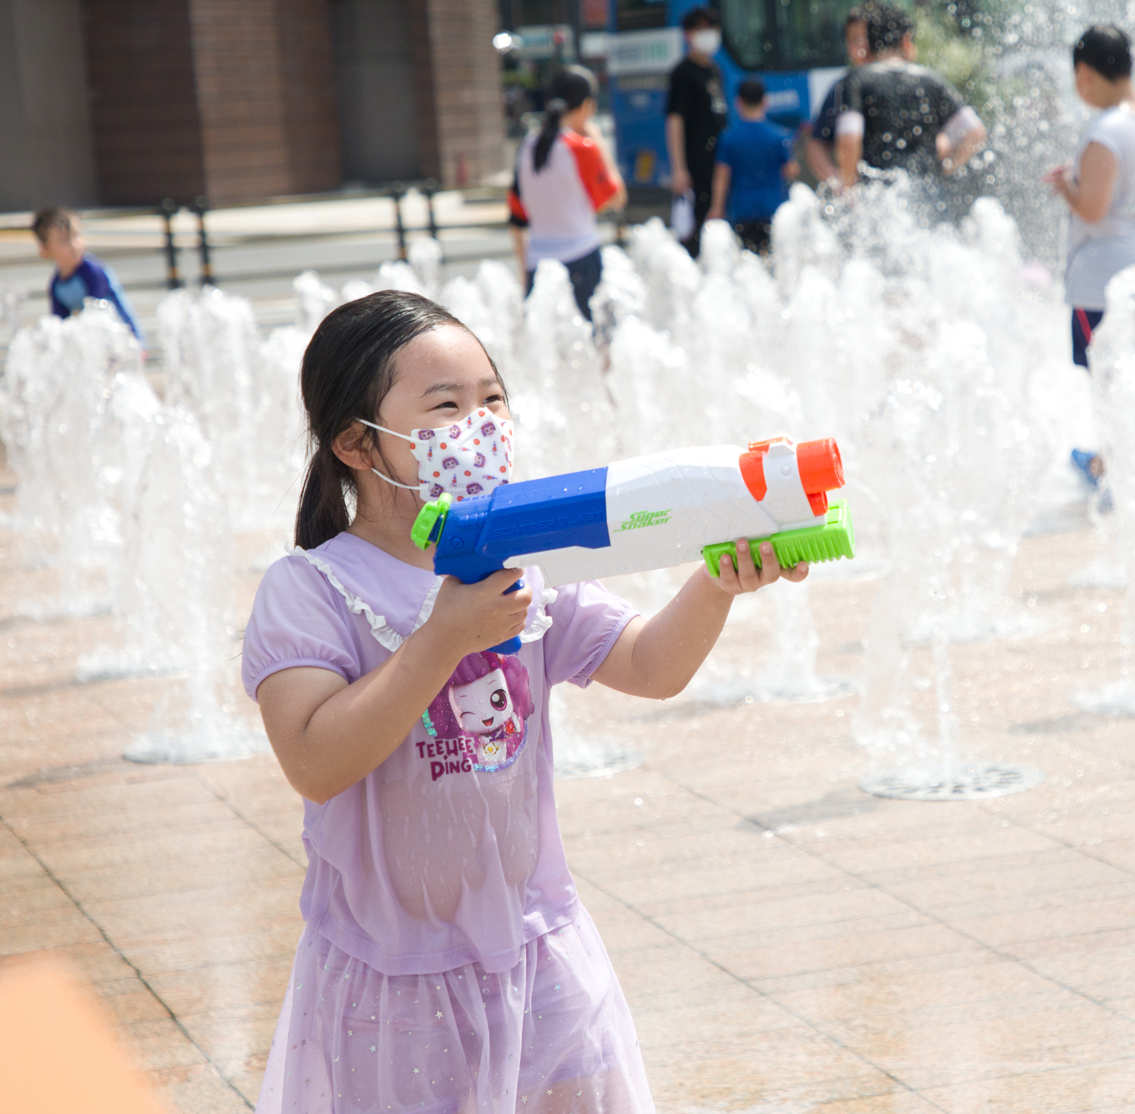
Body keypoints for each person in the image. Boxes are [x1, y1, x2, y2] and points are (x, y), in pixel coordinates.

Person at [244, 289, 806, 1114]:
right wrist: (443, 637)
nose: (482, 425)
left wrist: (716, 581)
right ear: (358, 442)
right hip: (393, 981)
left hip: (540, 948)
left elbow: (649, 663)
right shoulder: (312, 588)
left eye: (493, 399)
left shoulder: (523, 558)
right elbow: (315, 760)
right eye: (447, 406)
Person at [1042, 24, 1135, 489]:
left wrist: (1065, 185)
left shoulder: (1107, 131)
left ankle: (1112, 469)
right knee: (1131, 367)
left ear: (1085, 74)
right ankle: (1134, 459)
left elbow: (1093, 210)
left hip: (1102, 276)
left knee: (1106, 374)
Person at [508, 65, 624, 321]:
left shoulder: (527, 147)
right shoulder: (581, 148)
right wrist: (597, 140)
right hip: (580, 261)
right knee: (595, 338)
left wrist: (524, 272)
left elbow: (516, 217)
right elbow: (616, 198)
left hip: (538, 265)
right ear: (587, 106)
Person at [832, 1, 986, 191]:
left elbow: (849, 139)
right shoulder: (931, 79)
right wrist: (945, 168)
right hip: (927, 193)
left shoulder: (856, 80)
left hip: (880, 194)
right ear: (906, 40)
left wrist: (847, 189)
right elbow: (975, 132)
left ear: (869, 43)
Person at [707, 76, 796, 256]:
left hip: (742, 211)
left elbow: (722, 176)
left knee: (748, 259)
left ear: (738, 103)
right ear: (765, 101)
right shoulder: (778, 136)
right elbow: (790, 170)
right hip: (773, 209)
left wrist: (717, 207)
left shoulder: (729, 138)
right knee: (773, 258)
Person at [664, 5, 727, 255]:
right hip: (695, 162)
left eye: (712, 28)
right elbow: (675, 120)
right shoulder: (683, 73)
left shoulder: (714, 70)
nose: (708, 35)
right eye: (701, 30)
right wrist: (679, 168)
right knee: (696, 227)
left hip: (717, 160)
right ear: (687, 35)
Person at [31, 207, 144, 344]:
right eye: (64, 241)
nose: (74, 245)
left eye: (76, 236)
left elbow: (98, 314)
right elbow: (59, 325)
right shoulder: (56, 285)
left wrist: (138, 342)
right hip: (96, 339)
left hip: (122, 335)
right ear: (45, 249)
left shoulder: (92, 272)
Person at [801, 5, 870, 184]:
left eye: (868, 37)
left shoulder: (904, 81)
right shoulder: (842, 88)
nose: (863, 47)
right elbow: (816, 144)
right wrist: (839, 184)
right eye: (855, 40)